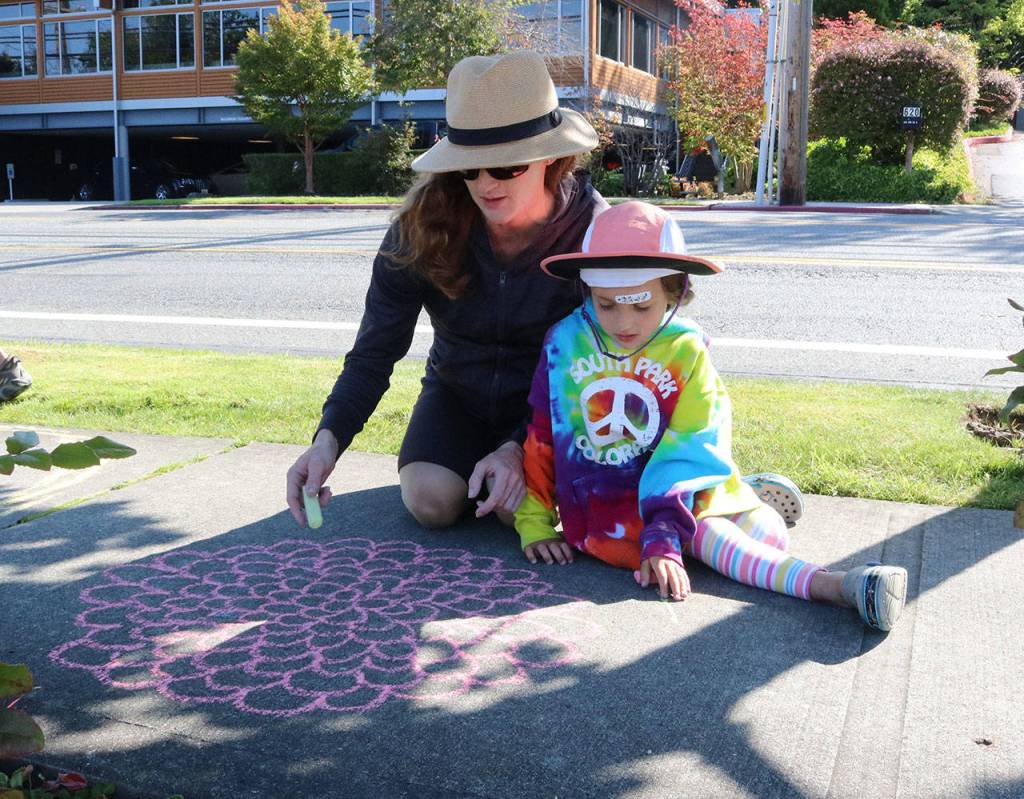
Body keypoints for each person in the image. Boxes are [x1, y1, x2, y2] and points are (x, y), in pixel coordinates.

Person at [513, 202, 907, 632]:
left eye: (641, 308)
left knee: (768, 535)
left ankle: (740, 493)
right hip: (615, 511)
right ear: (588, 292)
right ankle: (839, 586)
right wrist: (534, 521)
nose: (622, 322)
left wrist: (663, 533)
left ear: (675, 291)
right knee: (716, 541)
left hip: (675, 490)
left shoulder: (686, 348)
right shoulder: (563, 344)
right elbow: (542, 435)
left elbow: (691, 442)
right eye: (606, 305)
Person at [285, 50, 607, 529]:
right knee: (431, 502)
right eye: (469, 168)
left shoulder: (594, 231)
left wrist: (519, 446)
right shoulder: (424, 226)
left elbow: (603, 361)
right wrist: (328, 439)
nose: (483, 184)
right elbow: (375, 351)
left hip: (553, 403)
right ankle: (475, 465)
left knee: (515, 512)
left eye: (505, 167)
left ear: (551, 158)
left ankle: (505, 466)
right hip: (458, 392)